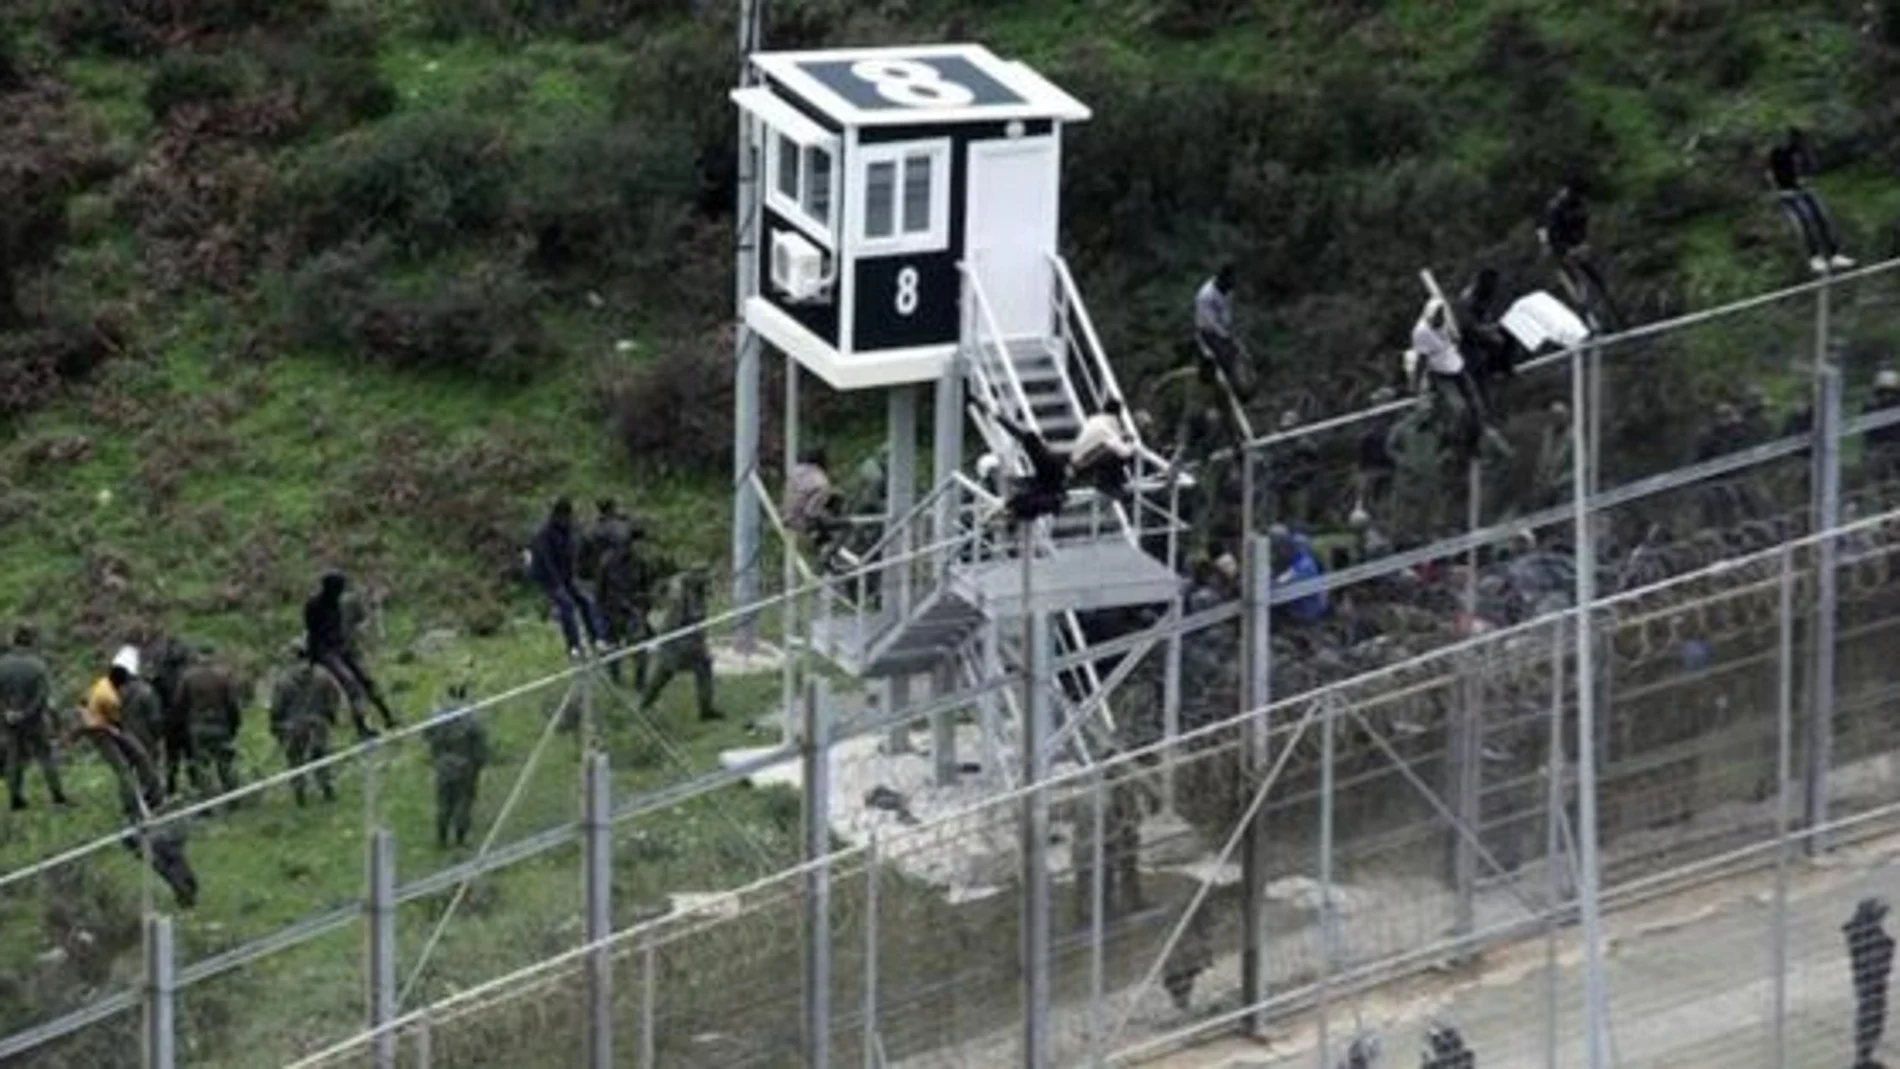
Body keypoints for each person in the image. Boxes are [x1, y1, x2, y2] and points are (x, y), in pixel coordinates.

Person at [1407, 297, 1505, 463]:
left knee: (1476, 406)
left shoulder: (1448, 321)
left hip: (1455, 364)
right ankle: (1454, 445)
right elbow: (1422, 360)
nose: (1439, 320)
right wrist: (1415, 384)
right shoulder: (1421, 333)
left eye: (1441, 316)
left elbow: (1459, 336)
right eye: (1436, 318)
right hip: (1439, 371)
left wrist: (1455, 337)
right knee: (1459, 408)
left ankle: (1473, 444)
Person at [304, 571, 397, 739]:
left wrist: (349, 647)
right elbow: (313, 634)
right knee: (351, 683)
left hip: (341, 647)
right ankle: (362, 727)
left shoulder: (339, 603)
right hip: (326, 651)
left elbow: (345, 628)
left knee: (367, 681)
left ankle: (388, 716)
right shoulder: (314, 605)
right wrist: (315, 659)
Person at [527, 499, 608, 663]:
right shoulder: (543, 535)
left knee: (585, 602)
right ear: (558, 516)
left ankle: (598, 639)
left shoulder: (569, 530)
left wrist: (571, 578)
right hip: (545, 576)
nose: (568, 521)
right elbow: (546, 561)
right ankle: (574, 646)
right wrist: (558, 586)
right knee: (566, 606)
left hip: (565, 575)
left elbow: (572, 556)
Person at [0, 626, 71, 810]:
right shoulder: (38, 665)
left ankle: (15, 799)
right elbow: (44, 697)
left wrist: (7, 712)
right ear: (31, 641)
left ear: (13, 640)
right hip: (34, 721)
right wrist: (29, 713)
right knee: (45, 757)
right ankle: (58, 796)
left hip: (8, 721)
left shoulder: (2, 664)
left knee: (13, 758)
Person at [638, 568, 721, 721]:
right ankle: (705, 710)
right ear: (695, 576)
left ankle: (644, 705)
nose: (708, 581)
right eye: (704, 577)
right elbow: (673, 622)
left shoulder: (695, 591)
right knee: (666, 674)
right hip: (677, 642)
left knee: (666, 674)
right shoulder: (680, 594)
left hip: (685, 641)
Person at [1767, 127, 1853, 273]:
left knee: (1822, 218)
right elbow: (1773, 176)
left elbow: (1807, 166)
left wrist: (1806, 179)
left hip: (1805, 189)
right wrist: (1781, 191)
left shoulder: (1799, 148)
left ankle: (1834, 254)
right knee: (1806, 221)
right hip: (1789, 192)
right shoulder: (1776, 154)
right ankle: (1814, 257)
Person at [1069, 764, 1145, 925]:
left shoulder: (1108, 795)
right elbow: (1102, 829)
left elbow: (1131, 814)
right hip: (1094, 847)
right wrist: (1120, 830)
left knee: (1100, 881)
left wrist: (1126, 825)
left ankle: (1101, 912)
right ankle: (1090, 916)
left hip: (1098, 846)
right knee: (1093, 882)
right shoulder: (1099, 801)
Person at [270, 641, 339, 807]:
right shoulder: (323, 675)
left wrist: (276, 725)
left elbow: (277, 707)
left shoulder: (284, 680)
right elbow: (334, 697)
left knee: (295, 761)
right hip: (318, 724)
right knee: (321, 758)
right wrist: (330, 716)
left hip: (294, 727)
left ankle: (300, 796)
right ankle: (327, 789)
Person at [978, 403, 1069, 527]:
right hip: (1047, 486)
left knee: (1023, 502)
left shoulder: (1044, 457)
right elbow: (1017, 433)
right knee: (1018, 496)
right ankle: (1006, 515)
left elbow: (1049, 483)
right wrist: (999, 418)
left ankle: (1007, 515)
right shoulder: (1040, 453)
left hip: (1051, 494)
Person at [1538, 181, 1617, 324]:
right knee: (1577, 288)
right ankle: (1588, 320)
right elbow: (1553, 235)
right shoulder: (1555, 208)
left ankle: (1611, 313)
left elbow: (1582, 225)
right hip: (1562, 253)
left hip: (1577, 247)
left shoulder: (1577, 204)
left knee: (1597, 280)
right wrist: (1566, 251)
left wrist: (1582, 243)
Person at [584, 498, 643, 685]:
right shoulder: (622, 528)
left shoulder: (593, 530)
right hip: (626, 590)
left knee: (612, 640)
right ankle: (638, 678)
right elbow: (640, 532)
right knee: (635, 637)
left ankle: (615, 677)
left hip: (607, 592)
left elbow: (583, 558)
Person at [424, 682, 490, 849]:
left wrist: (436, 755)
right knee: (464, 801)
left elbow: (427, 735)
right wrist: (480, 762)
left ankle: (442, 837)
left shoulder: (438, 716)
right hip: (465, 764)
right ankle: (460, 837)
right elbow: (480, 741)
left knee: (444, 802)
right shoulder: (471, 717)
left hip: (443, 764)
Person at [175, 647, 243, 801]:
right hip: (221, 726)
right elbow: (232, 705)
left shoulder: (188, 677)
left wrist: (184, 726)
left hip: (198, 727)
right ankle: (234, 799)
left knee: (202, 768)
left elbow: (179, 705)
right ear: (214, 656)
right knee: (226, 765)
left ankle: (206, 804)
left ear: (197, 656)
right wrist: (234, 726)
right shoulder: (224, 676)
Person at [1846, 897, 1895, 1069]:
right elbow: (1876, 958)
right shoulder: (1865, 935)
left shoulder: (1860, 933)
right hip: (1871, 983)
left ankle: (1865, 1056)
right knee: (1871, 1016)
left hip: (1871, 982)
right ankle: (1864, 1058)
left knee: (1872, 1015)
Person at [1193, 263, 1248, 398]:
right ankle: (1227, 388)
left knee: (1238, 353)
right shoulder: (1205, 296)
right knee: (1222, 357)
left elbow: (1227, 310)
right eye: (1230, 281)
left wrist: (1232, 329)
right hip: (1209, 331)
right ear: (1222, 279)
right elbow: (1211, 322)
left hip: (1225, 327)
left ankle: (1241, 383)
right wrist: (1225, 335)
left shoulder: (1228, 289)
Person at [1070, 398, 1136, 507]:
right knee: (1117, 453)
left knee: (1111, 451)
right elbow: (1124, 452)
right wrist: (1132, 444)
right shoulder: (1112, 422)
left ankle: (1114, 481)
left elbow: (1109, 439)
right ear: (1118, 413)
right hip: (1084, 464)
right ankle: (1106, 483)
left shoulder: (1095, 419)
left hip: (1078, 460)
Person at [784, 448, 844, 551]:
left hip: (789, 515)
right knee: (836, 495)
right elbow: (811, 511)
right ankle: (823, 539)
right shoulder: (820, 481)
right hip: (803, 520)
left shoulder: (796, 472)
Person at [113, 645, 165, 762]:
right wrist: (159, 737)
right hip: (146, 739)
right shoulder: (146, 691)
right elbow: (154, 718)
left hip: (124, 739)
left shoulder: (114, 692)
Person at [1270, 527, 1329, 625]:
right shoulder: (1302, 561)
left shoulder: (1303, 565)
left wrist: (1267, 582)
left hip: (1305, 612)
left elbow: (1280, 584)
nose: (1282, 550)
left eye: (1287, 546)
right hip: (1301, 605)